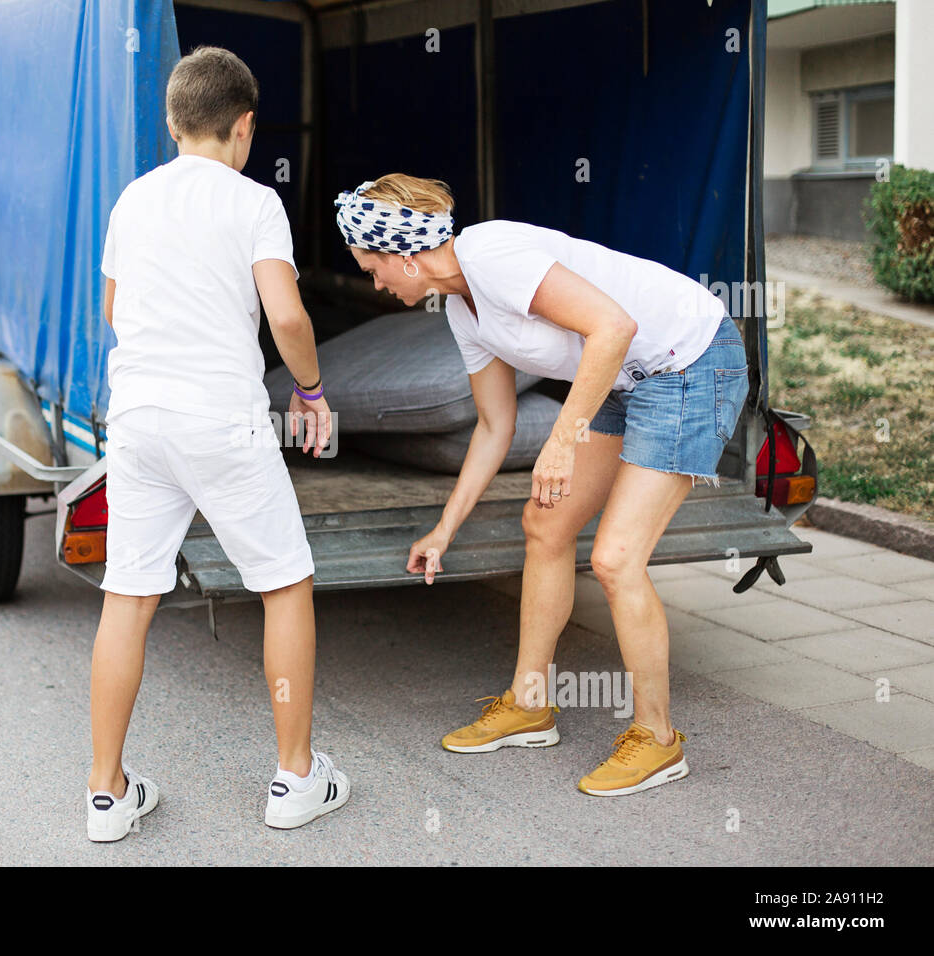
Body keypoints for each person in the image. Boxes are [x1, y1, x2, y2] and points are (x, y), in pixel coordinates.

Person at [334, 173, 749, 796]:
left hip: (686, 360)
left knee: (615, 559)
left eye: (374, 268)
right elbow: (495, 426)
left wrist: (561, 441)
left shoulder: (491, 255)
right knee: (545, 524)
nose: (376, 283)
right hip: (618, 374)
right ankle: (530, 703)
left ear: (407, 256)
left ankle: (658, 740)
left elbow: (614, 326)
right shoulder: (460, 308)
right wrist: (445, 527)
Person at [85, 46, 349, 841]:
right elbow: (290, 318)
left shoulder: (132, 200)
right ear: (246, 127)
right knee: (283, 583)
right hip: (223, 417)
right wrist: (309, 390)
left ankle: (105, 795)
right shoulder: (253, 202)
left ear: (171, 122)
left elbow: (111, 309)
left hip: (137, 416)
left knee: (127, 596)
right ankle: (296, 776)